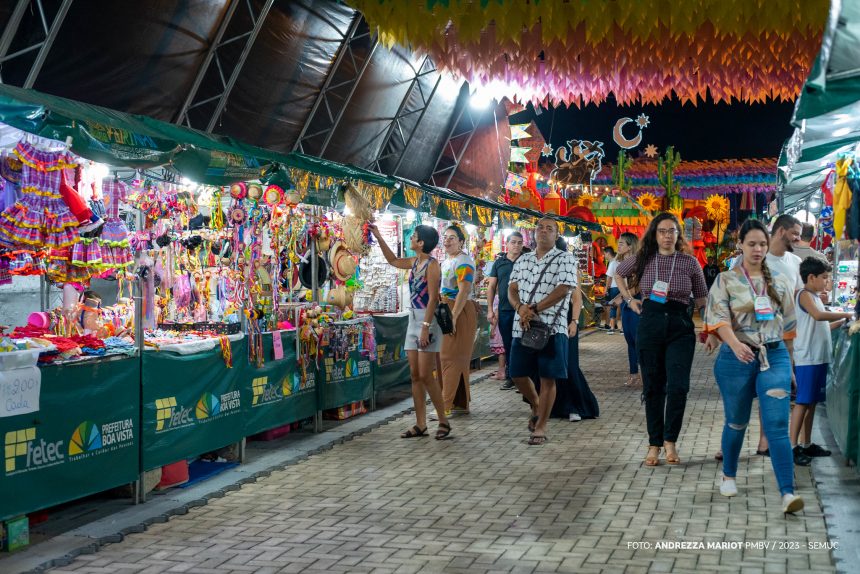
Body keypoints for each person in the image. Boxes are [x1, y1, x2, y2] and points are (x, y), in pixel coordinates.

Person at [704, 219, 804, 514]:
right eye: (752, 244)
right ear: (741, 246)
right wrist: (734, 344)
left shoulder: (781, 280)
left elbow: (788, 329)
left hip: (774, 357)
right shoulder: (725, 280)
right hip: (736, 358)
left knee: (776, 425)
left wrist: (792, 367)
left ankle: (788, 493)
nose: (758, 249)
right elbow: (718, 317)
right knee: (736, 421)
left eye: (762, 243)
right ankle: (729, 475)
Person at [615, 213, 708, 466]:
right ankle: (654, 444)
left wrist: (710, 328)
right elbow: (618, 273)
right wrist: (628, 299)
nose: (667, 236)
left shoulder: (690, 263)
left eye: (672, 231)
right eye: (662, 231)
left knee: (678, 387)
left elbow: (701, 299)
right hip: (650, 323)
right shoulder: (644, 259)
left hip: (680, 325)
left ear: (679, 235)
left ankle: (670, 441)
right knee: (653, 387)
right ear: (654, 234)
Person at [369, 223, 451, 439]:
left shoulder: (432, 265)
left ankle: (443, 420)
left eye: (413, 236)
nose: (410, 239)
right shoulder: (415, 262)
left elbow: (433, 298)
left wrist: (425, 328)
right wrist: (378, 236)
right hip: (414, 317)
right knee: (415, 376)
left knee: (426, 375)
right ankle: (421, 424)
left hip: (427, 321)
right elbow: (393, 261)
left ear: (421, 243)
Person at [732, 213, 803, 457]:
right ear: (781, 231)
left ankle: (765, 441)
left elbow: (794, 300)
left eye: (760, 244)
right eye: (794, 232)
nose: (758, 249)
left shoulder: (794, 262)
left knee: (772, 393)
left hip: (775, 341)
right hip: (745, 341)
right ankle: (729, 443)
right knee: (739, 398)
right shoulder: (739, 265)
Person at [507, 218, 578, 445]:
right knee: (517, 374)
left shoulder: (566, 259)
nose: (544, 231)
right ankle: (536, 404)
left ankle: (541, 427)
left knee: (548, 378)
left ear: (556, 235)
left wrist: (535, 309)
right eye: (540, 227)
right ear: (533, 232)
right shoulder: (523, 259)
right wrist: (520, 308)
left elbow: (564, 288)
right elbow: (512, 288)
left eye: (550, 229)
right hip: (523, 326)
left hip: (552, 328)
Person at [790, 257, 853, 459]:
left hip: (819, 357)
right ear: (811, 277)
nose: (827, 281)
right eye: (824, 277)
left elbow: (823, 325)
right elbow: (818, 316)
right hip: (808, 358)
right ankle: (792, 447)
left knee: (812, 402)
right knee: (802, 402)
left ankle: (806, 443)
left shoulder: (815, 296)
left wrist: (843, 321)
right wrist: (848, 314)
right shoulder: (804, 295)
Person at [438, 225, 478, 416]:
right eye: (445, 237)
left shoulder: (464, 262)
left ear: (462, 242)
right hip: (447, 308)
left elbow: (464, 290)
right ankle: (459, 403)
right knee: (454, 357)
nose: (447, 240)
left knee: (450, 357)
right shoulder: (447, 261)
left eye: (452, 238)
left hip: (459, 310)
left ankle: (445, 405)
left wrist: (454, 316)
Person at [486, 231, 525, 390]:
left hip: (523, 310)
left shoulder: (526, 261)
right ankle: (511, 377)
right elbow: (491, 287)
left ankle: (525, 378)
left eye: (519, 243)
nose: (516, 245)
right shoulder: (499, 263)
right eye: (513, 242)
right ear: (507, 244)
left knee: (524, 344)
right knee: (508, 345)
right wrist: (490, 309)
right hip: (505, 310)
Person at [615, 232, 641, 386]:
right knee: (630, 340)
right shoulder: (619, 263)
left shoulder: (637, 262)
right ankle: (633, 374)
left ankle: (645, 373)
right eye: (618, 242)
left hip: (636, 304)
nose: (618, 245)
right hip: (626, 305)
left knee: (638, 341)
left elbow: (638, 286)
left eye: (622, 243)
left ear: (630, 246)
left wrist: (624, 297)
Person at [602, 246, 620, 333]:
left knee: (613, 306)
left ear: (608, 253)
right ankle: (621, 329)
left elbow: (609, 278)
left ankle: (612, 327)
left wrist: (605, 289)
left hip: (614, 287)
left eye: (604, 254)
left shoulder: (612, 263)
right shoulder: (619, 262)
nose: (604, 256)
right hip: (621, 287)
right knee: (620, 307)